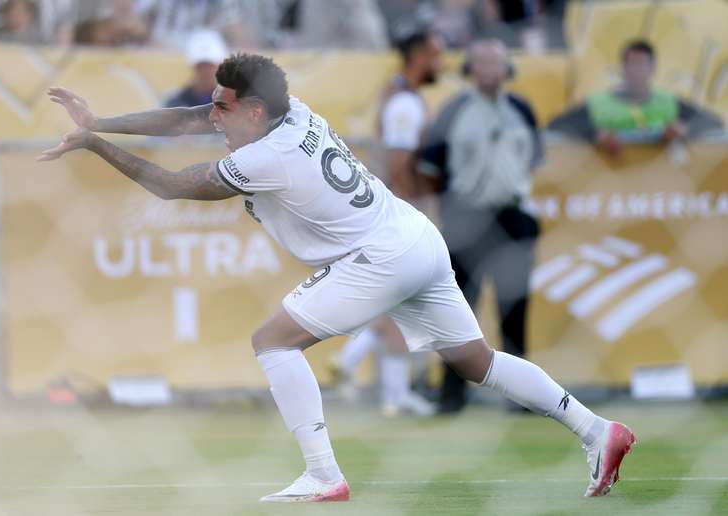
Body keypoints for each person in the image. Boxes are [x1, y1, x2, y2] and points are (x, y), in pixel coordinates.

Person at [39, 53, 635, 502]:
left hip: (379, 256)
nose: (212, 114)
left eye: (223, 107)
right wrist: (105, 119)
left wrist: (94, 143)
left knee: (271, 342)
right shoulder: (287, 112)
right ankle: (596, 429)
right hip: (414, 237)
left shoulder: (264, 157)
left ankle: (323, 473)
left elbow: (171, 185)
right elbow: (194, 115)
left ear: (252, 112)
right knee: (477, 362)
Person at [419, 39, 542, 415]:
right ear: (470, 68)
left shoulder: (521, 109)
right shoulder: (453, 110)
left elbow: (533, 158)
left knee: (515, 309)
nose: (491, 69)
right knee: (457, 310)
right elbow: (430, 167)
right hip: (466, 216)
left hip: (511, 215)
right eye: (483, 62)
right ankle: (451, 396)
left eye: (498, 61)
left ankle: (523, 398)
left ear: (508, 68)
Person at [332, 27, 444, 416]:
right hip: (396, 218)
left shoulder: (397, 94)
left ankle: (374, 380)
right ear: (417, 56)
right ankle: (374, 380)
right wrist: (417, 214)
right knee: (401, 300)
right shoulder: (405, 105)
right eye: (435, 54)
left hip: (382, 216)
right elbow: (398, 163)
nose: (441, 63)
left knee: (396, 301)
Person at [548, 39, 723, 155]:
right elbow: (556, 126)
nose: (636, 70)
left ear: (652, 69)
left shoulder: (669, 103)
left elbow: (714, 124)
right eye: (632, 64)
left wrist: (685, 131)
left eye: (642, 64)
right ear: (622, 68)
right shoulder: (598, 104)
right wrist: (594, 134)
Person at [165, 30, 228, 108]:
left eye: (209, 66)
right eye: (201, 66)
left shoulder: (233, 103)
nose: (205, 71)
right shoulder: (175, 102)